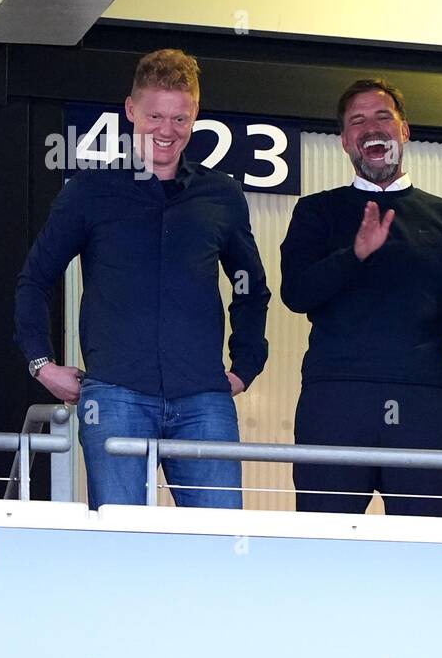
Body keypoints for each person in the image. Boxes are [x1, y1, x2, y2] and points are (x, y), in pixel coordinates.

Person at [15, 48, 270, 509]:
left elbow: (251, 284)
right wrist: (41, 364)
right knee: (119, 544)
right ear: (131, 110)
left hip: (203, 400)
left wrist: (246, 365)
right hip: (114, 396)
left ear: (195, 116)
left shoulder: (222, 195)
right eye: (155, 115)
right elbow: (35, 279)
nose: (167, 131)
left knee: (220, 545)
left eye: (180, 118)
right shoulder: (89, 192)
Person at [281, 78, 442, 517]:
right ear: (344, 141)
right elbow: (296, 293)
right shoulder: (316, 211)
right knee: (323, 550)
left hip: (424, 402)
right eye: (357, 120)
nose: (371, 127)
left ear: (405, 130)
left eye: (383, 116)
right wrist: (355, 254)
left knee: (423, 549)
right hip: (336, 401)